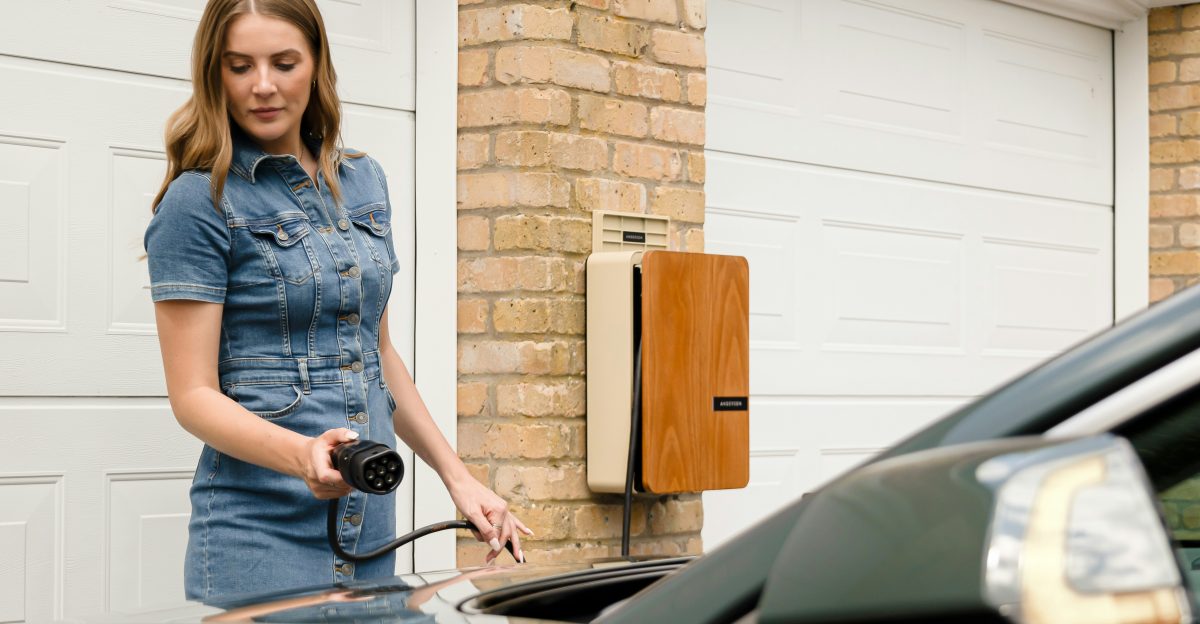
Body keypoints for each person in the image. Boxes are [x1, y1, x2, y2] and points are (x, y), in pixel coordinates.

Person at [144, 0, 528, 601]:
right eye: (239, 66)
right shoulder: (199, 202)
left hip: (368, 524)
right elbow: (192, 396)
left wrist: (459, 479)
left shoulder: (363, 181)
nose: (263, 86)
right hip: (258, 533)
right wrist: (301, 455)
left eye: (285, 62)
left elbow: (375, 357)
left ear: (317, 65)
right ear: (213, 75)